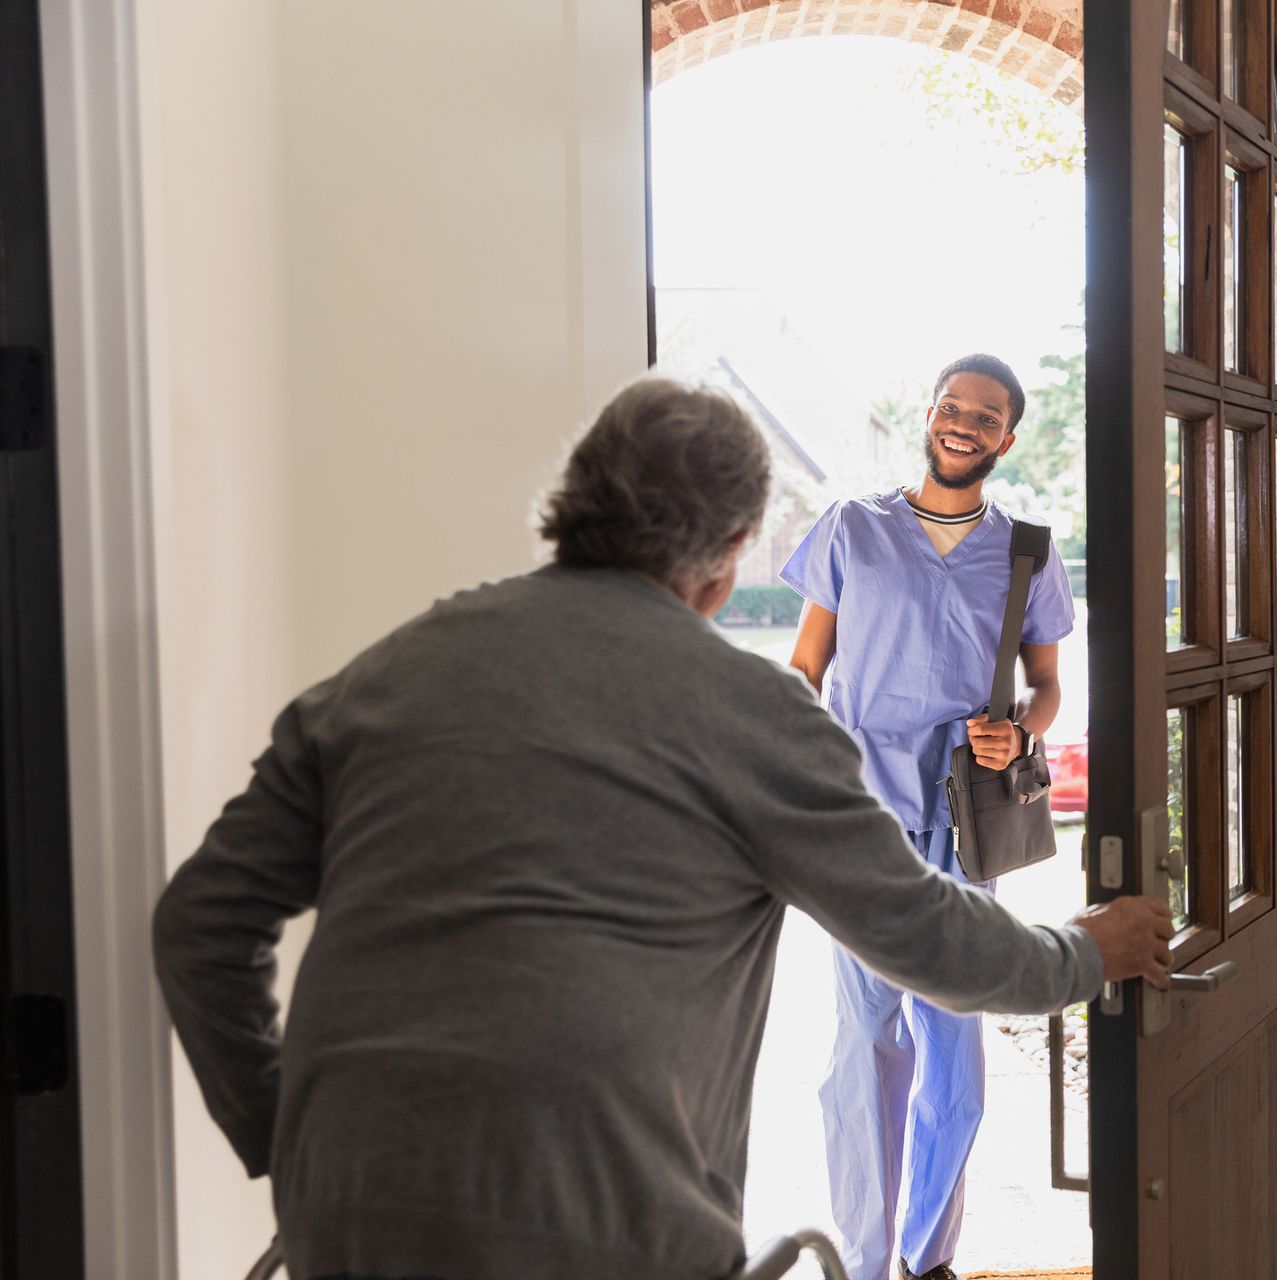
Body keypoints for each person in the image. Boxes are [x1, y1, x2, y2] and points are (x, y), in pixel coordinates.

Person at [151, 376, 1174, 1280]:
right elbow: (930, 940)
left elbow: (199, 919)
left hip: (342, 1209)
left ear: (569, 504)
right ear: (731, 561)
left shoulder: (388, 671)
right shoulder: (751, 715)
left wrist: (284, 1132)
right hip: (605, 1223)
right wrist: (1089, 951)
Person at [783, 353, 1078, 1280]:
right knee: (865, 1047)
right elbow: (805, 672)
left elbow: (1047, 688)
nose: (964, 424)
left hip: (965, 824)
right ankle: (867, 1263)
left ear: (1007, 437)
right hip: (862, 823)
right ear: (929, 415)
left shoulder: (1027, 549)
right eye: (952, 407)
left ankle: (928, 1254)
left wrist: (1018, 740)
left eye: (985, 416)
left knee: (955, 1050)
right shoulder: (852, 529)